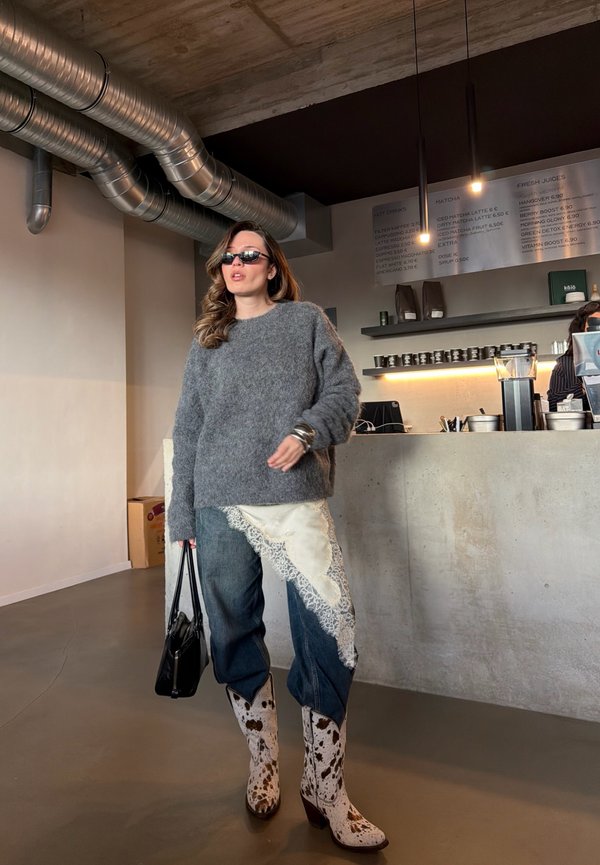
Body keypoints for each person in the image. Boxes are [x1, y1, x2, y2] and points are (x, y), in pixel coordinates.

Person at [167, 220, 388, 852]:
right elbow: (188, 430)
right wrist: (182, 516)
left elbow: (345, 390)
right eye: (227, 258)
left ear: (272, 267)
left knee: (330, 630)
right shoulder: (208, 341)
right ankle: (263, 763)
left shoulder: (305, 322)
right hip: (218, 503)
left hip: (295, 499)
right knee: (234, 631)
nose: (236, 264)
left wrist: (307, 430)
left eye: (249, 255)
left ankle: (326, 786)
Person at [547, 301, 600, 410]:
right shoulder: (564, 365)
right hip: (582, 421)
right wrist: (585, 387)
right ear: (581, 331)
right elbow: (553, 404)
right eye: (592, 329)